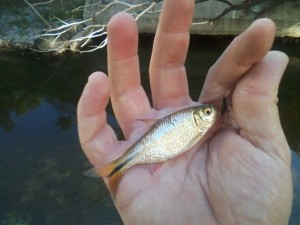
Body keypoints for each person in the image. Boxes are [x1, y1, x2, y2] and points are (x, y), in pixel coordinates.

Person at [77, 0, 293, 224]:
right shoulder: (196, 126)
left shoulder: (199, 128)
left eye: (208, 113)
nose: (212, 114)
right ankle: (116, 170)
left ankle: (116, 170)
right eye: (208, 113)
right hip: (155, 150)